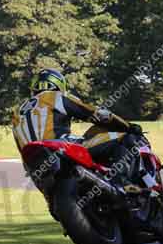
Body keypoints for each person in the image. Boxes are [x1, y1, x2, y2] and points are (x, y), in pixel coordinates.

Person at [12, 68, 143, 188]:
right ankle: (121, 183)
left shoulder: (17, 113)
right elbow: (93, 113)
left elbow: (20, 147)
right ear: (58, 84)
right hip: (61, 146)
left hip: (34, 165)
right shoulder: (54, 96)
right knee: (125, 138)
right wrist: (127, 126)